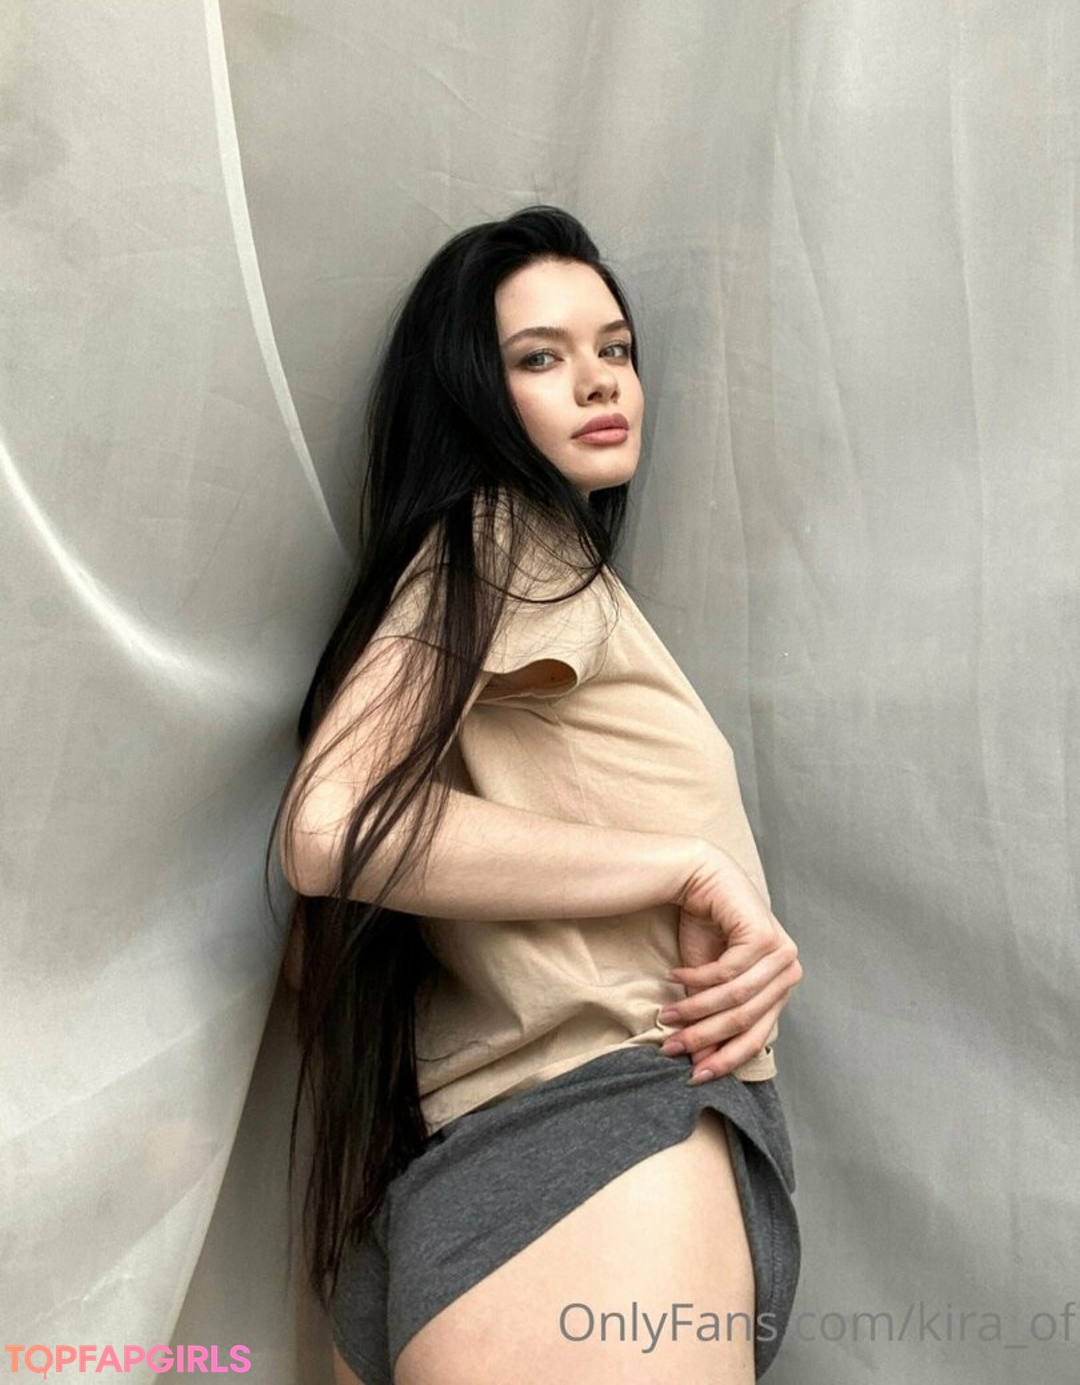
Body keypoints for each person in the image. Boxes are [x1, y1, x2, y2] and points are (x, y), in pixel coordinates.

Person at [270, 205, 803, 1385]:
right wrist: (685, 866)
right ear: (474, 397)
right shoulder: (506, 540)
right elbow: (330, 826)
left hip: (479, 1174)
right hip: (598, 1153)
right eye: (540, 357)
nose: (600, 380)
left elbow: (326, 941)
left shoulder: (513, 579)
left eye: (615, 348)